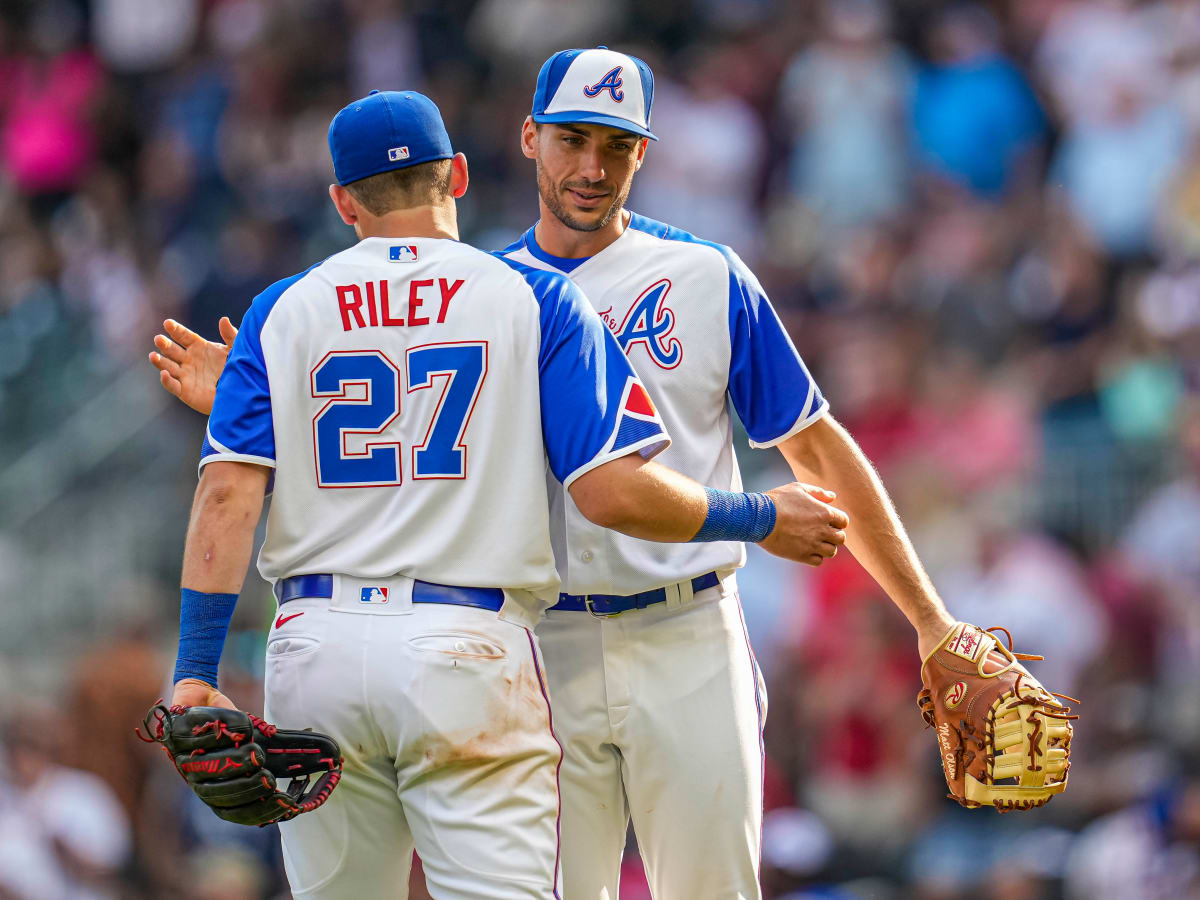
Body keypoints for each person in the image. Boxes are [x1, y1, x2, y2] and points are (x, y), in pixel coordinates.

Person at [152, 52, 954, 898]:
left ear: (646, 151)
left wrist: (929, 618)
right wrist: (758, 516)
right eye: (573, 139)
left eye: (618, 144)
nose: (593, 166)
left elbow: (820, 449)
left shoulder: (704, 277)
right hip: (536, 644)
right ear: (519, 142)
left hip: (679, 629)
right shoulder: (509, 293)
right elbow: (585, 484)